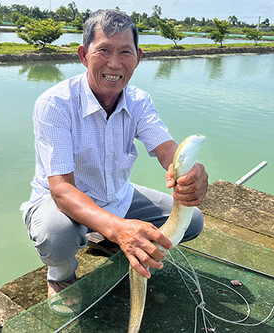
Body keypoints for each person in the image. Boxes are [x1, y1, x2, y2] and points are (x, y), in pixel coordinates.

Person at [20, 9, 209, 310]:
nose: (114, 64)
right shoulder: (55, 104)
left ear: (138, 56)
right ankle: (61, 275)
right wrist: (119, 229)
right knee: (56, 234)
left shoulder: (138, 100)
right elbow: (61, 189)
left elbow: (166, 150)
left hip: (117, 197)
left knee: (193, 220)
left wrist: (192, 172)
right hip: (62, 202)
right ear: (84, 55)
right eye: (103, 51)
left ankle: (107, 238)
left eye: (125, 52)